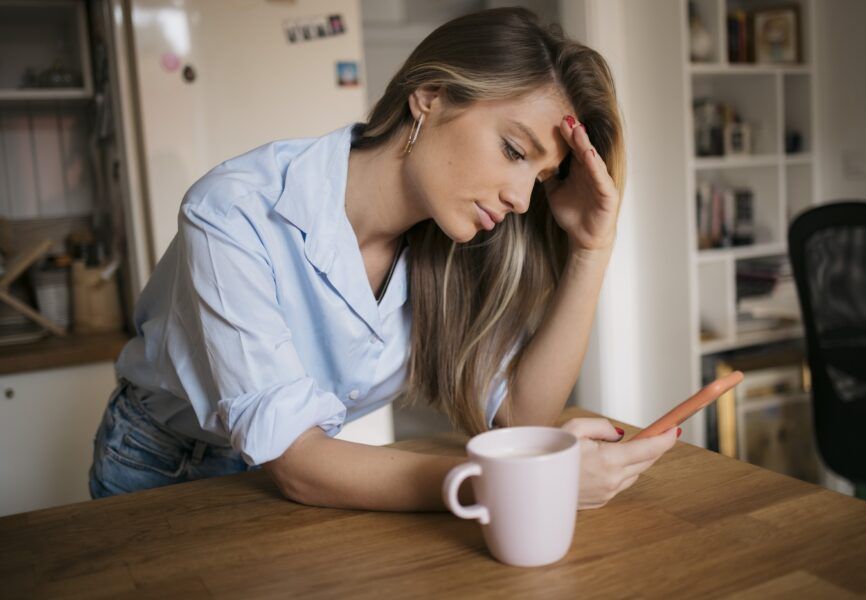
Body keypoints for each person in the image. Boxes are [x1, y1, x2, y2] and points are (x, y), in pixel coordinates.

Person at [88, 7, 680, 511]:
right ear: (429, 97)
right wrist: (511, 485)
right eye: (512, 149)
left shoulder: (461, 239)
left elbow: (523, 417)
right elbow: (297, 462)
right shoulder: (234, 211)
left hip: (319, 481)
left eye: (542, 178)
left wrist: (591, 247)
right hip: (160, 467)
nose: (522, 199)